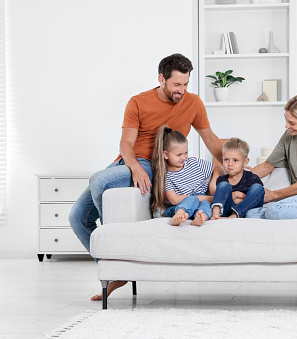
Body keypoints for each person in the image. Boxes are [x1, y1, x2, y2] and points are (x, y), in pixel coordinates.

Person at [69, 53, 223, 301]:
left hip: (157, 164)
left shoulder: (193, 103)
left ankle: (117, 256)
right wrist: (134, 167)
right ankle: (116, 270)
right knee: (76, 217)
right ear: (161, 79)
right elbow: (125, 143)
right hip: (129, 163)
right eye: (176, 85)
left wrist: (237, 165)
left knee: (99, 181)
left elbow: (213, 142)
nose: (181, 90)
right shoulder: (138, 102)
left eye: (185, 84)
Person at [151, 125, 223, 226]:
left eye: (186, 152)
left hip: (201, 203)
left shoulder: (194, 163)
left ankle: (201, 218)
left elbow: (218, 168)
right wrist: (207, 198)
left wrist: (213, 183)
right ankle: (179, 215)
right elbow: (174, 199)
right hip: (180, 206)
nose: (184, 157)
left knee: (206, 205)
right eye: (178, 155)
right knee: (193, 199)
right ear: (166, 155)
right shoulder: (165, 175)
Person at [211, 138, 264, 219]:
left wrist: (239, 196)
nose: (230, 164)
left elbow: (257, 198)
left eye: (235, 160)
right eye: (226, 160)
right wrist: (234, 196)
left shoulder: (252, 178)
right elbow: (221, 198)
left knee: (258, 188)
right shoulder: (222, 180)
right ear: (222, 160)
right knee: (223, 185)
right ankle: (215, 213)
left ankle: (235, 215)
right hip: (227, 210)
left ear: (245, 162)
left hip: (247, 211)